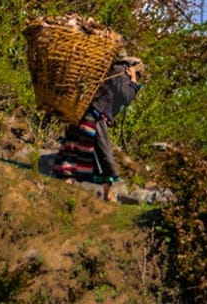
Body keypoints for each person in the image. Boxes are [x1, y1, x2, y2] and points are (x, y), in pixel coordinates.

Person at [52, 55, 144, 201]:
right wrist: (132, 79)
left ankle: (72, 180)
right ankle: (105, 193)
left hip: (89, 112)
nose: (137, 78)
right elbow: (127, 98)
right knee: (103, 153)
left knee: (79, 146)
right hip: (95, 115)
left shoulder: (115, 71)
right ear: (131, 69)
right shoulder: (121, 74)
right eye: (138, 74)